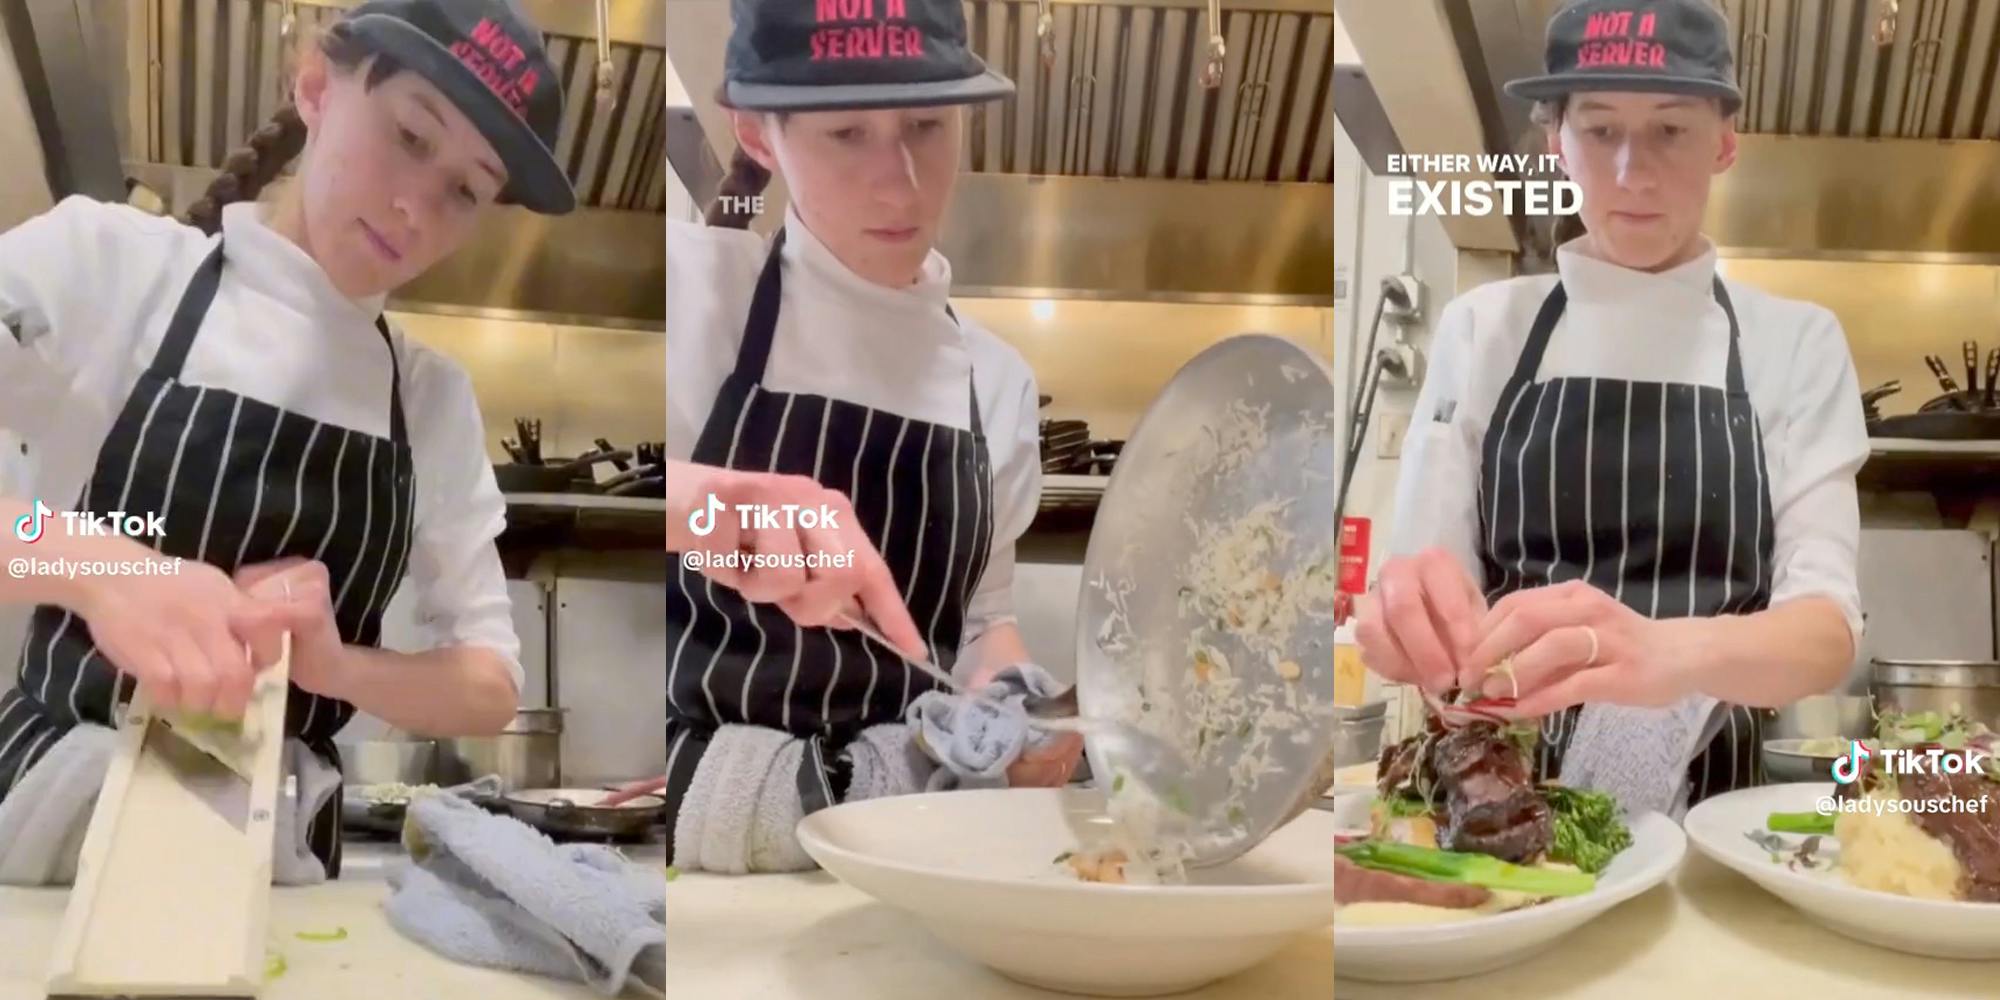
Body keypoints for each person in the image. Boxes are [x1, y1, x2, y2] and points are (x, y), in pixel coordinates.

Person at [0, 0, 574, 875]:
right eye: (410, 137)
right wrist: (101, 565)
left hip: (277, 864)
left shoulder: (426, 397)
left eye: (466, 188)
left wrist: (335, 665)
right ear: (316, 87)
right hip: (50, 843)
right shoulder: (111, 267)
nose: (417, 208)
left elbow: (491, 685)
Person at [1356, 0, 1866, 814]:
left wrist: (1663, 651)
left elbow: (1825, 635)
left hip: (1719, 820)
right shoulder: (1484, 329)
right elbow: (1423, 591)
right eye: (1599, 130)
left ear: (1725, 142)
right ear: (1554, 140)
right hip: (1497, 812)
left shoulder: (1795, 342)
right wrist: (1398, 623)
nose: (1633, 172)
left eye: (1671, 130)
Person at [664, 0, 1081, 865]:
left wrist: (1012, 705)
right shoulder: (694, 302)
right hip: (717, 854)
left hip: (913, 846)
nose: (901, 182)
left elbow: (980, 622)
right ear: (757, 133)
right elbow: (660, 525)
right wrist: (722, 517)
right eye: (846, 132)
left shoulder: (995, 382)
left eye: (927, 124)